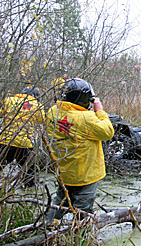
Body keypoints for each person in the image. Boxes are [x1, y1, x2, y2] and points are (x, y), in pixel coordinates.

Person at [45, 78, 114, 220]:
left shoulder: (53, 112)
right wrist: (99, 110)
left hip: (65, 172)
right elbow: (108, 132)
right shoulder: (86, 119)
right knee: (83, 210)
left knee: (60, 202)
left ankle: (47, 229)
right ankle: (79, 237)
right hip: (86, 174)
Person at [0, 86, 45, 186]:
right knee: (28, 170)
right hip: (25, 143)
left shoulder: (9, 100)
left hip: (7, 141)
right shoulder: (37, 105)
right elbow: (43, 120)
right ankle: (29, 187)